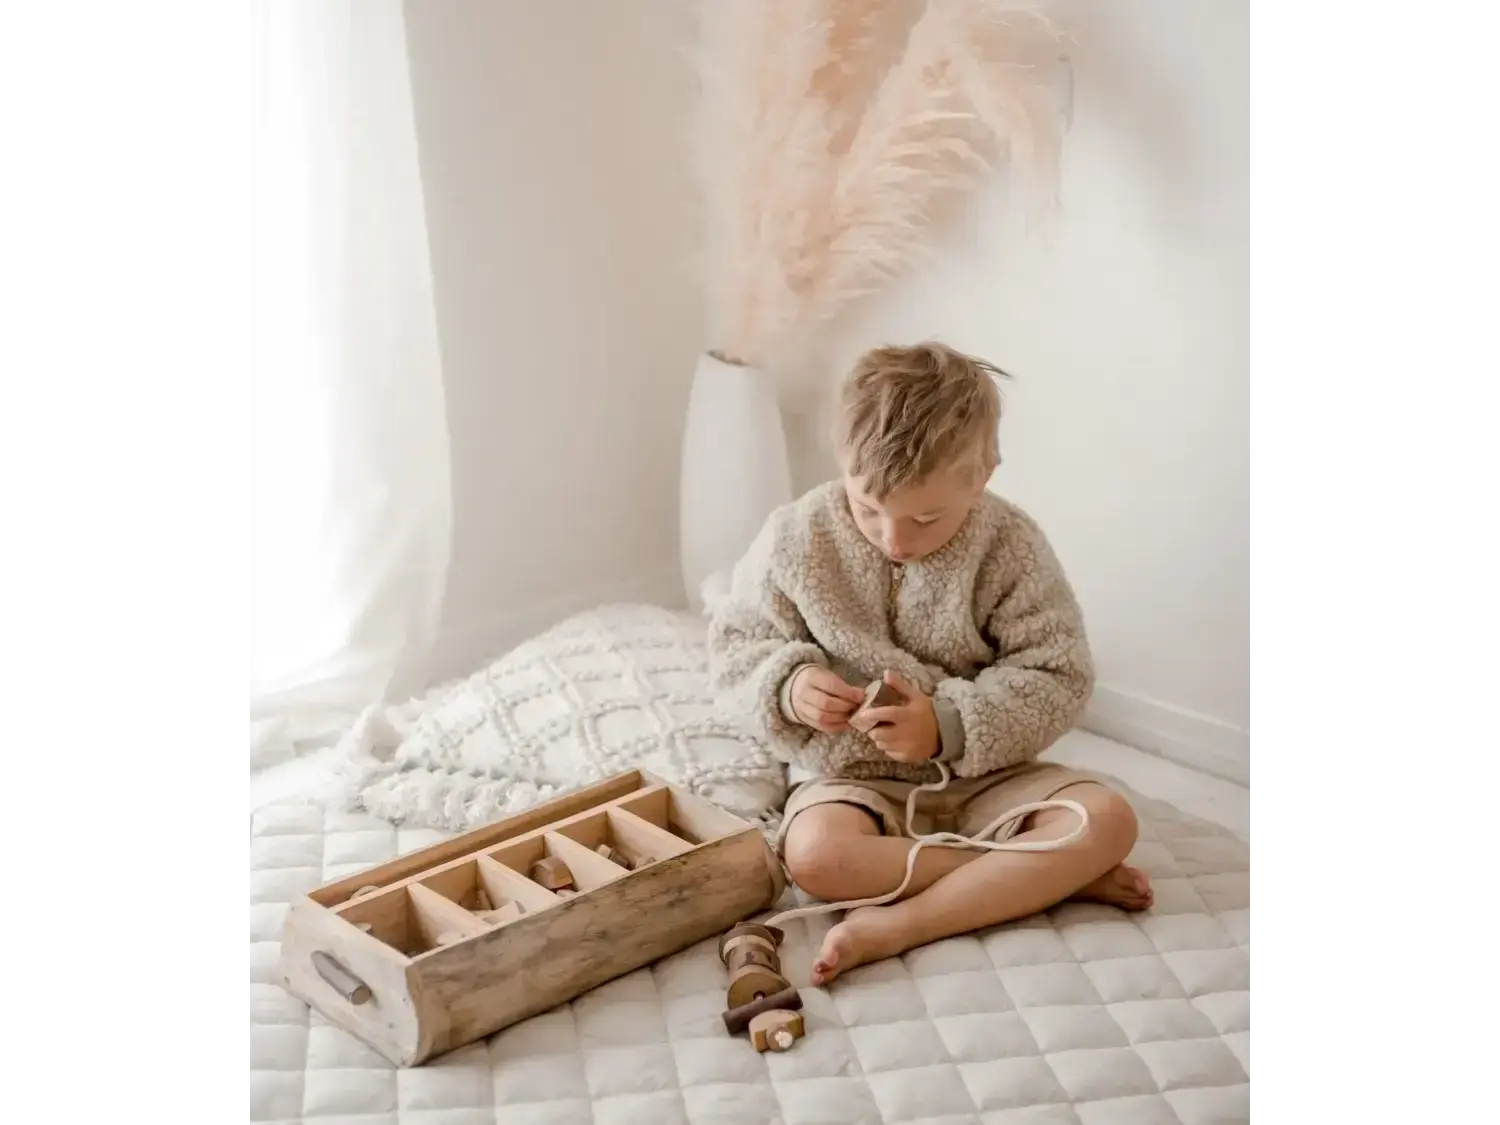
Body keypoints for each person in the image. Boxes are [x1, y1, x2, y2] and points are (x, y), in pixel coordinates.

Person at [708, 341, 1153, 986]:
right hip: (857, 782)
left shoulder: (1010, 547)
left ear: (984, 474)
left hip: (988, 775)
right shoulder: (795, 537)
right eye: (868, 509)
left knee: (1109, 819)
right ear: (841, 461)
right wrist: (790, 685)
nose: (893, 538)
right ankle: (1037, 874)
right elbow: (735, 646)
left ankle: (899, 925)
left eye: (925, 516)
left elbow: (1058, 673)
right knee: (813, 856)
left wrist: (949, 724)